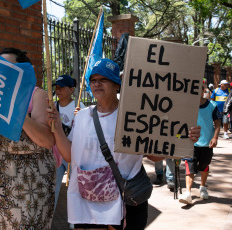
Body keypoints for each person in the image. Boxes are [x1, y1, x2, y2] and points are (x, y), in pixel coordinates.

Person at [47, 58, 201, 229]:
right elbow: (69, 156)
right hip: (88, 204)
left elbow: (154, 156)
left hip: (125, 202)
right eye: (93, 80)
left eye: (103, 79)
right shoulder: (83, 116)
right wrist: (58, 128)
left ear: (117, 85)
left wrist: (182, 138)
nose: (97, 84)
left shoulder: (134, 118)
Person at [0, 48, 56, 230]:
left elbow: (47, 141)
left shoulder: (37, 94)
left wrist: (14, 110)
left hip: (31, 186)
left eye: (9, 67)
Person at [179, 84, 221, 205]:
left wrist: (215, 137)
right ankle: (188, 193)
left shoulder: (212, 106)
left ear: (203, 91)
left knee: (204, 166)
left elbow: (217, 123)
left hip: (207, 143)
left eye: (200, 89)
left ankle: (203, 187)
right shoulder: (187, 106)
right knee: (189, 167)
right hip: (191, 143)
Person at [52, 74, 85, 209]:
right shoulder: (53, 106)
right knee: (53, 189)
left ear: (71, 89)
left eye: (61, 87)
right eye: (57, 87)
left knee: (75, 189)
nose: (58, 90)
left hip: (74, 155)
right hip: (56, 153)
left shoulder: (79, 107)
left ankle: (74, 223)